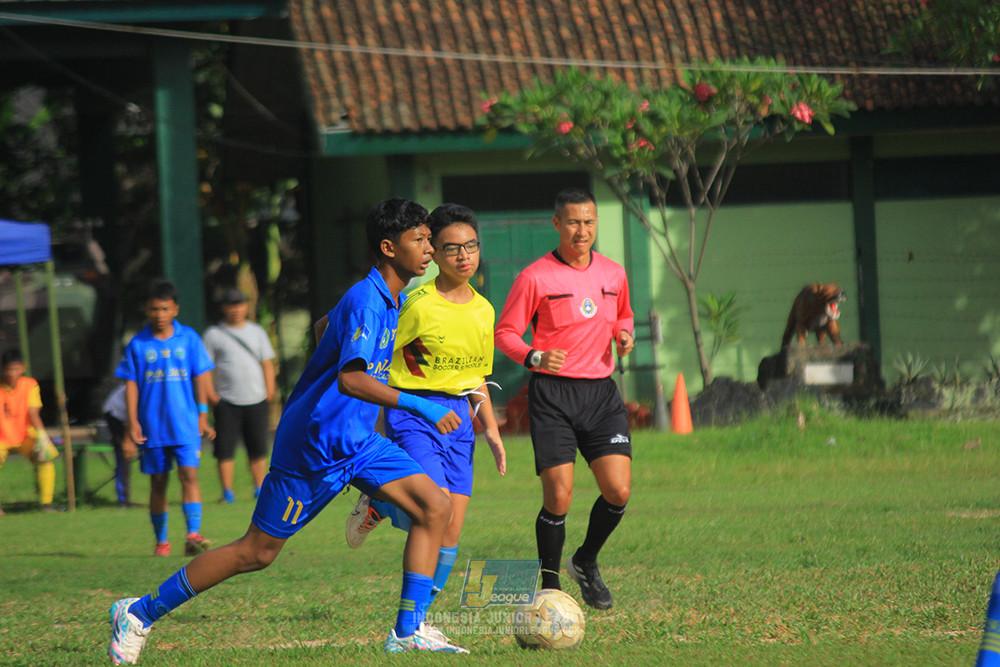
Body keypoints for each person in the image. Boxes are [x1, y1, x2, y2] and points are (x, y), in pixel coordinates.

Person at [108, 198, 469, 665]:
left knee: (435, 507)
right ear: (388, 247)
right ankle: (138, 612)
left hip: (358, 443)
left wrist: (339, 378)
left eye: (428, 238)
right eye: (419, 239)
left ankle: (407, 631)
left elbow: (324, 327)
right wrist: (421, 404)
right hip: (313, 448)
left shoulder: (388, 296)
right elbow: (351, 380)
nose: (429, 248)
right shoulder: (367, 299)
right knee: (256, 553)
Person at [345, 203, 506, 610]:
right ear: (434, 252)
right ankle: (382, 503)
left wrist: (491, 430)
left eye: (471, 246)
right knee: (436, 510)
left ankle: (418, 620)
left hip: (460, 419)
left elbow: (475, 377)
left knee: (451, 530)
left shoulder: (484, 310)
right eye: (452, 248)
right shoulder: (416, 303)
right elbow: (374, 356)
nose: (464, 256)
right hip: (414, 414)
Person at [494, 187, 635, 610]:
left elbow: (624, 315)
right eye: (573, 222)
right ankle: (550, 589)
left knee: (618, 490)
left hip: (601, 393)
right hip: (553, 395)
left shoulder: (614, 273)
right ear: (557, 224)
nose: (582, 230)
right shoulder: (535, 277)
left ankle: (585, 561)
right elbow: (505, 333)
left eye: (589, 221)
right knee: (558, 496)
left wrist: (623, 335)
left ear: (596, 223)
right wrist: (534, 355)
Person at [115, 279, 216, 557]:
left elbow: (200, 376)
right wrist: (132, 422)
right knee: (158, 482)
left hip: (185, 424)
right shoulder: (137, 344)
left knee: (189, 475)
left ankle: (193, 535)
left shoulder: (189, 338)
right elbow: (131, 385)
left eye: (165, 309)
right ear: (146, 310)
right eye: (154, 309)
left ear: (175, 310)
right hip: (153, 427)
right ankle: (162, 542)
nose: (159, 314)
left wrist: (203, 415)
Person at [203, 288, 277, 504]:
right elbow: (205, 368)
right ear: (224, 308)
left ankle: (259, 487)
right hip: (226, 400)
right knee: (225, 448)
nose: (236, 309)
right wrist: (211, 395)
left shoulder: (257, 332)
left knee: (258, 446)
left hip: (256, 398)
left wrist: (269, 391)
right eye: (231, 305)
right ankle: (227, 492)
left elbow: (267, 363)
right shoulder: (214, 334)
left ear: (246, 307)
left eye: (239, 304)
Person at [0, 348, 60, 513]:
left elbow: (33, 413)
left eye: (15, 368)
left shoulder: (30, 385)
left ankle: (46, 503)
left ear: (23, 368)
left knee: (45, 458)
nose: (12, 373)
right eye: (9, 369)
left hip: (26, 436)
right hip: (2, 438)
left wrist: (42, 436)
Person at [102, 382, 135, 508]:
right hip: (116, 415)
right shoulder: (134, 386)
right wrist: (128, 440)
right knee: (123, 454)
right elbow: (130, 415)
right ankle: (123, 499)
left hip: (128, 417)